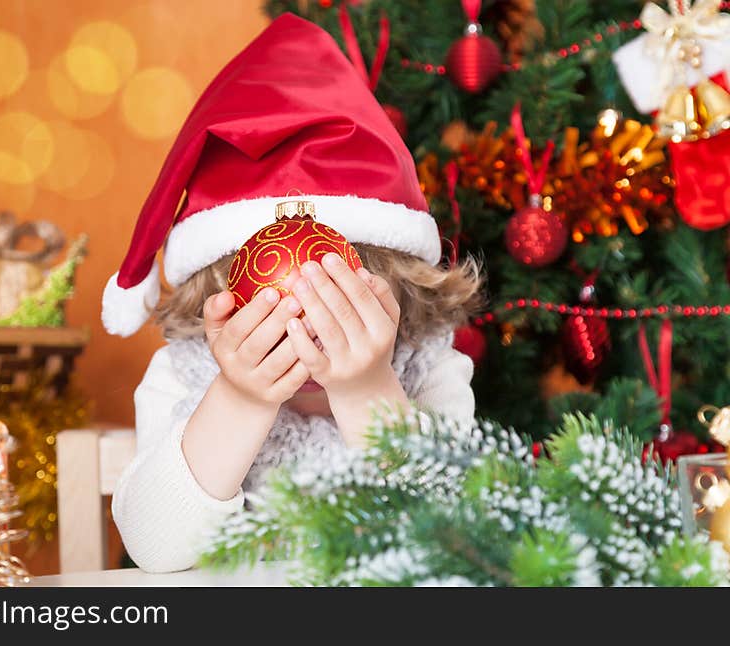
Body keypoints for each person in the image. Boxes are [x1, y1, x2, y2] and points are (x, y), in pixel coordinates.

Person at [101, 14, 480, 573]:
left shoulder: (428, 370)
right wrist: (239, 398)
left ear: (396, 292)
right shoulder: (182, 375)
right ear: (219, 298)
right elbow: (154, 550)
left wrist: (366, 389)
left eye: (339, 303)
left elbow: (454, 546)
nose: (304, 338)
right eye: (270, 312)